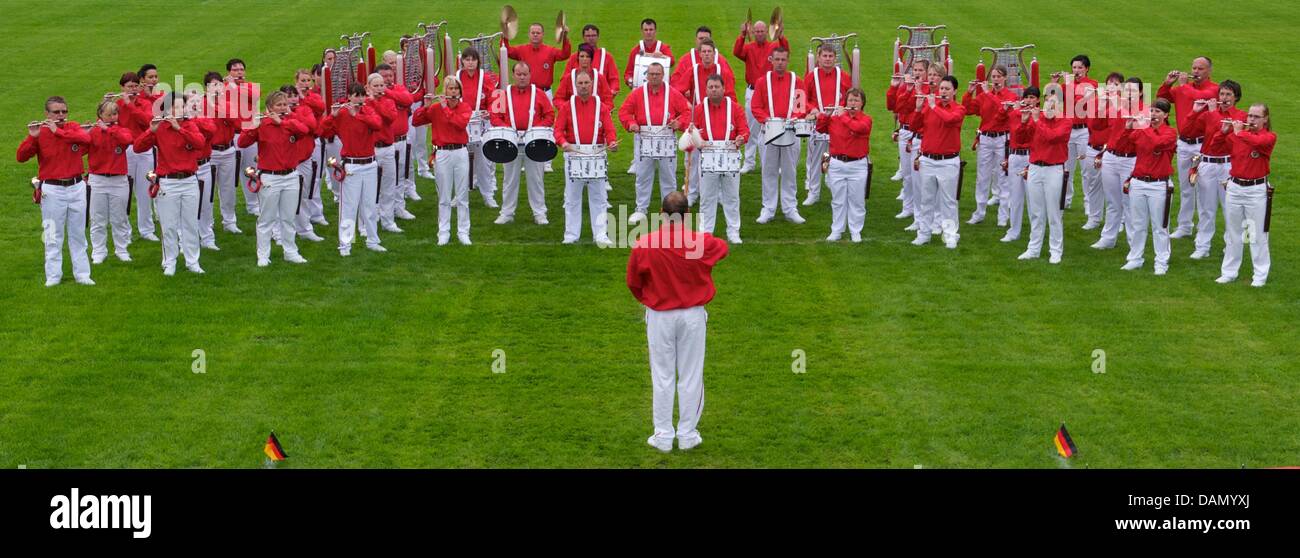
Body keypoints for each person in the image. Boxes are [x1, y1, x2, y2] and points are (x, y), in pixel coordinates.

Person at [626, 191, 729, 452]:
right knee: (691, 374)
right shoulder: (699, 243)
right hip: (692, 316)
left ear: (661, 214)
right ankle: (687, 434)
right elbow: (722, 248)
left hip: (659, 316)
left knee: (662, 375)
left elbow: (634, 283)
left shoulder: (645, 244)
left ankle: (662, 435)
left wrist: (649, 300)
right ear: (688, 215)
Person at [18, 96, 94, 286]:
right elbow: (21, 156)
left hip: (77, 186)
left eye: (64, 111)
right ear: (47, 114)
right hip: (52, 189)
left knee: (78, 233)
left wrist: (58, 132)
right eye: (56, 112)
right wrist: (32, 136)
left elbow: (86, 139)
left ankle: (83, 275)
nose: (61, 115)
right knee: (52, 235)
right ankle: (53, 276)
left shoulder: (73, 127)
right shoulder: (40, 133)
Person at [133, 93, 206, 275]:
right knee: (169, 225)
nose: (179, 110)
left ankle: (192, 262)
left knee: (190, 224)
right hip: (168, 182)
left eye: (182, 106)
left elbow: (200, 143)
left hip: (189, 181)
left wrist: (179, 128)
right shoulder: (160, 127)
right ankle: (170, 262)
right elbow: (138, 147)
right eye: (175, 107)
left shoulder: (190, 125)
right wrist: (151, 130)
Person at [238, 90, 310, 267]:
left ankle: (290, 252)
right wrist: (253, 126)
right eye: (279, 105)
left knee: (288, 217)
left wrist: (282, 123)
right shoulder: (262, 125)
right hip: (270, 177)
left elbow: (305, 130)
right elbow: (242, 143)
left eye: (284, 104)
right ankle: (263, 255)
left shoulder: (292, 122)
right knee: (266, 219)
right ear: (269, 108)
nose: (283, 108)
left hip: (291, 176)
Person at [619, 62, 690, 224]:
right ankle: (641, 209)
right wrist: (631, 124)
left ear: (663, 75)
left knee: (669, 176)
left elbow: (686, 112)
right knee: (643, 175)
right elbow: (624, 111)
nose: (654, 77)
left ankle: (671, 210)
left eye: (657, 74)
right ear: (646, 75)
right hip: (644, 138)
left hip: (666, 138)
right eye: (651, 74)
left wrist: (679, 124)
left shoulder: (673, 93)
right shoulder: (637, 94)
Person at [319, 83, 386, 255]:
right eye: (356, 95)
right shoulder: (341, 113)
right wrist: (331, 117)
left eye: (362, 95)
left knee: (370, 206)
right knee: (349, 207)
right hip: (351, 165)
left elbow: (377, 124)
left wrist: (358, 115)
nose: (360, 99)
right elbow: (322, 131)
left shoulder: (368, 111)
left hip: (370, 164)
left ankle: (372, 240)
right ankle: (345, 244)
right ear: (349, 97)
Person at [1213, 103, 1275, 287]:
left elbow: (1257, 143)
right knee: (1233, 233)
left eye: (1256, 117)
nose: (1251, 120)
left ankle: (1260, 275)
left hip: (1256, 190)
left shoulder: (1269, 137)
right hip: (1235, 187)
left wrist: (1239, 132)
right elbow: (1215, 147)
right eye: (1249, 116)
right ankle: (1229, 272)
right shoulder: (1238, 135)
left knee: (1256, 234)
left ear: (1265, 119)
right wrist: (1223, 131)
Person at [555, 70, 618, 246]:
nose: (583, 86)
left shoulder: (601, 106)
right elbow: (558, 130)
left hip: (596, 154)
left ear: (592, 84)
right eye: (580, 83)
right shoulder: (567, 107)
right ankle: (571, 234)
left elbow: (609, 129)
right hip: (574, 154)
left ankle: (600, 234)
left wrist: (612, 142)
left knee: (599, 196)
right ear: (575, 86)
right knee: (572, 197)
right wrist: (563, 142)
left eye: (586, 83)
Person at [1157, 56, 1218, 239]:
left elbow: (1198, 98)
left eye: (1200, 69)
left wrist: (1183, 86)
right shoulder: (1185, 88)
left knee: (1203, 188)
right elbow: (1163, 98)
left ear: (1209, 71)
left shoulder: (1214, 90)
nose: (1196, 72)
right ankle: (1184, 226)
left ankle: (1203, 229)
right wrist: (1167, 83)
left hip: (1202, 144)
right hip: (1184, 143)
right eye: (1194, 68)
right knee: (1185, 186)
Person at [1184, 80, 1245, 259]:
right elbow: (1187, 131)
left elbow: (1226, 135)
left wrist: (1212, 114)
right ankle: (1202, 246)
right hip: (1208, 164)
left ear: (1236, 98)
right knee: (1205, 208)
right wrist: (1195, 111)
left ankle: (1231, 246)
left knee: (1230, 208)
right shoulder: (1208, 114)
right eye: (1222, 94)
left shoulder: (1241, 116)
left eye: (1228, 95)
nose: (1224, 98)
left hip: (1227, 165)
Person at [490, 62, 555, 225]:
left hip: (534, 143)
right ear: (513, 75)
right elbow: (494, 117)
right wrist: (508, 130)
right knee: (509, 180)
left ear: (530, 75)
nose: (522, 77)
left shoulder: (539, 94)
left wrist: (535, 129)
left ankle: (540, 213)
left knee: (536, 179)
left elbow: (549, 116)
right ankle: (507, 212)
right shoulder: (502, 94)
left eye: (525, 74)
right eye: (519, 74)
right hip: (510, 143)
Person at [1118, 99, 1178, 275]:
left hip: (1159, 185)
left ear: (1166, 115)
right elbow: (1124, 144)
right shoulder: (1142, 130)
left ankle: (1161, 262)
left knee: (1160, 226)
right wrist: (1128, 127)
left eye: (1158, 111)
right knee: (1138, 224)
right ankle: (1135, 258)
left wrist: (1144, 127)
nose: (1153, 114)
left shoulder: (1170, 132)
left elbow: (1157, 144)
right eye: (1151, 110)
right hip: (1138, 182)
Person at [412, 77, 474, 245]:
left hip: (460, 152)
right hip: (443, 154)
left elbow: (459, 124)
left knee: (462, 195)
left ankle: (463, 232)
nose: (453, 91)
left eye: (456, 89)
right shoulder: (435, 109)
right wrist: (425, 105)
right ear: (445, 91)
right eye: (450, 88)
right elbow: (416, 120)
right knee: (444, 196)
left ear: (460, 92)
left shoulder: (465, 107)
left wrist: (445, 108)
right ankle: (443, 232)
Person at [690, 74, 749, 245]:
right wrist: (694, 135)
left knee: (731, 197)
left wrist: (741, 138)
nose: (714, 90)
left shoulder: (735, 108)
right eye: (710, 87)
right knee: (707, 197)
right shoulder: (699, 109)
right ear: (706, 89)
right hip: (707, 157)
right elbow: (690, 133)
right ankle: (706, 232)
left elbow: (744, 130)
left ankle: (733, 231)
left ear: (724, 89)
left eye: (717, 87)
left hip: (730, 156)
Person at [751, 46, 806, 224]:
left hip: (791, 132)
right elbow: (756, 107)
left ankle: (790, 208)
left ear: (788, 60)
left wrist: (792, 120)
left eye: (783, 59)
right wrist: (768, 121)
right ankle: (768, 208)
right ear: (771, 60)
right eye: (777, 59)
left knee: (790, 170)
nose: (780, 63)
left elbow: (800, 107)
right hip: (769, 132)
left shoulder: (797, 81)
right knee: (769, 170)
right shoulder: (762, 81)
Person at [1015, 91, 1071, 264]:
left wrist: (1037, 120)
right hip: (1034, 168)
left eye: (1053, 102)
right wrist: (1024, 122)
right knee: (1036, 212)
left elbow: (1052, 137)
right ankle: (1034, 248)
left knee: (1054, 213)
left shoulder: (1066, 121)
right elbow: (1020, 139)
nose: (1049, 105)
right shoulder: (1036, 119)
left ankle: (1055, 250)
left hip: (1054, 169)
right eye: (1047, 102)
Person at [912, 75, 966, 249]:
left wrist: (933, 106)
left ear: (954, 91)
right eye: (941, 88)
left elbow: (949, 120)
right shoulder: (929, 107)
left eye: (947, 89)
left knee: (948, 201)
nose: (943, 91)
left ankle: (950, 235)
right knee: (926, 199)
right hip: (927, 159)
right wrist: (919, 109)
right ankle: (924, 233)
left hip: (948, 161)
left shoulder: (959, 109)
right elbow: (914, 126)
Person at [960, 65, 1017, 225]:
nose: (996, 80)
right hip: (985, 138)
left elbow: (1003, 109)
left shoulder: (1011, 96)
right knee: (982, 176)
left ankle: (1003, 215)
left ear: (1005, 78)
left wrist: (986, 93)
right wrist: (969, 92)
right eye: (993, 77)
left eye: (999, 76)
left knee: (1003, 176)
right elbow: (968, 109)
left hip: (1002, 139)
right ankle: (979, 212)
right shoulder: (985, 96)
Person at [814, 88, 872, 242]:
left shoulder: (866, 120)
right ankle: (837, 230)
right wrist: (825, 115)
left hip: (857, 165)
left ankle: (855, 231)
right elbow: (820, 129)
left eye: (856, 100)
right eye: (850, 100)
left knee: (857, 200)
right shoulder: (835, 119)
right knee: (838, 199)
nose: (853, 103)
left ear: (862, 103)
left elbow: (858, 129)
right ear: (845, 102)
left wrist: (843, 117)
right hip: (837, 164)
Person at [733, 18, 789, 173]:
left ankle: (774, 163)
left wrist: (781, 35)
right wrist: (742, 34)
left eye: (762, 31)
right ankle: (749, 162)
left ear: (767, 31)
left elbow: (785, 51)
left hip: (770, 92)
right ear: (753, 32)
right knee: (751, 129)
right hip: (753, 91)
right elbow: (737, 52)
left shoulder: (773, 47)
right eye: (756, 31)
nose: (759, 34)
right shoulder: (749, 47)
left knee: (773, 126)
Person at [1092, 77, 1143, 250]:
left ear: (1141, 93)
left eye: (1133, 91)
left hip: (1131, 159)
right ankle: (1108, 238)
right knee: (1112, 201)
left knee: (1129, 202)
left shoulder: (1144, 111)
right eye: (1126, 90)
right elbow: (1096, 126)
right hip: (1111, 157)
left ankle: (1133, 243)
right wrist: (1100, 105)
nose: (1128, 94)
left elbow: (1140, 140)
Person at [801, 44, 851, 206]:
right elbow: (802, 99)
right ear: (818, 57)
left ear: (835, 58)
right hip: (818, 124)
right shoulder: (810, 76)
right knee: (815, 160)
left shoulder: (843, 76)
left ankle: (837, 190)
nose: (828, 59)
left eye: (831, 56)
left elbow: (850, 97)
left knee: (837, 159)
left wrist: (843, 110)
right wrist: (812, 110)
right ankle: (813, 192)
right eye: (825, 56)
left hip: (838, 124)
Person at [85, 99, 135, 263]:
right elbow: (79, 150)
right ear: (100, 115)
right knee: (98, 219)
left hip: (119, 180)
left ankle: (121, 249)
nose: (113, 117)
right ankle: (99, 252)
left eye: (115, 114)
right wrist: (84, 133)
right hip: (97, 180)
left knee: (119, 218)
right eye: (109, 114)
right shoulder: (93, 132)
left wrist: (108, 130)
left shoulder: (122, 130)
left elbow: (127, 140)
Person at [122, 65, 163, 241]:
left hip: (143, 149)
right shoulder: (115, 104)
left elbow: (148, 122)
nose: (131, 89)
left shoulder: (144, 103)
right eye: (128, 86)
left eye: (134, 86)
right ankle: (124, 232)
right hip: (124, 150)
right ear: (122, 87)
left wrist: (130, 106)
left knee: (144, 190)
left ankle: (146, 229)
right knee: (124, 191)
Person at [885, 59, 930, 223]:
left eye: (920, 70)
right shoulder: (907, 86)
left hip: (918, 133)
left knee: (918, 175)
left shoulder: (927, 89)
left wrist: (914, 90)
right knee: (906, 173)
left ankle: (920, 213)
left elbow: (914, 108)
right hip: (904, 131)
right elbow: (894, 107)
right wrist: (895, 87)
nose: (917, 73)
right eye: (915, 70)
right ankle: (908, 207)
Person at [456, 48, 500, 207]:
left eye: (473, 59)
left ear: (478, 61)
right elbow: (450, 98)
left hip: (480, 122)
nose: (470, 62)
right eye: (466, 59)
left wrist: (489, 113)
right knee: (461, 160)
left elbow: (495, 98)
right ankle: (459, 194)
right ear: (462, 61)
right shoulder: (456, 77)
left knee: (484, 161)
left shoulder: (485, 77)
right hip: (461, 123)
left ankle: (488, 195)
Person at [1077, 73, 1122, 233]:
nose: (1111, 87)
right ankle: (1094, 218)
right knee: (1093, 185)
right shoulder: (1096, 102)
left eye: (1116, 85)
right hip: (1094, 148)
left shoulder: (1124, 105)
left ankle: (1120, 220)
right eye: (1109, 84)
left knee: (1115, 188)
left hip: (1113, 152)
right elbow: (1093, 125)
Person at [1053, 55, 1098, 211]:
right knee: (1067, 168)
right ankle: (1066, 200)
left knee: (1086, 170)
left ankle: (1088, 204)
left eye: (1080, 67)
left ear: (1087, 69)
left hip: (1085, 131)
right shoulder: (1067, 84)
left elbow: (1080, 102)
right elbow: (1054, 101)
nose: (1076, 70)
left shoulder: (1092, 84)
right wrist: (1055, 83)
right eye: (1074, 67)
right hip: (1068, 131)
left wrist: (1069, 84)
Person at [201, 71, 242, 236]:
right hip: (210, 152)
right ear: (206, 88)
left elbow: (239, 125)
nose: (216, 88)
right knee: (208, 191)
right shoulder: (201, 104)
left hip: (228, 150)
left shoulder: (229, 103)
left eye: (219, 84)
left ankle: (230, 221)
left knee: (228, 189)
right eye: (213, 85)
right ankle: (208, 223)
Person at [375, 63, 416, 228]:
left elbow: (408, 99)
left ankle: (399, 207)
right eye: (384, 76)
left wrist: (387, 91)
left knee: (400, 176)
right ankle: (378, 210)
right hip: (383, 144)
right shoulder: (375, 96)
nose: (388, 78)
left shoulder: (398, 89)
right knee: (379, 179)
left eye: (390, 75)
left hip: (401, 140)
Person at [1001, 86, 1040, 243]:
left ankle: (1035, 232)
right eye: (1027, 97)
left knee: (1033, 198)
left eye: (1033, 97)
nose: (1029, 100)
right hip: (1016, 156)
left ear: (1038, 100)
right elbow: (1017, 134)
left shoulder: (1039, 116)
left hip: (1032, 157)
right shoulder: (1016, 114)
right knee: (1015, 196)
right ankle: (1013, 230)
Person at [503, 22, 571, 96]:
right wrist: (505, 36)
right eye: (533, 33)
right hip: (527, 92)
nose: (535, 35)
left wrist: (565, 37)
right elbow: (506, 51)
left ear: (543, 34)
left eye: (538, 33)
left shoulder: (550, 51)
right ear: (529, 34)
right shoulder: (521, 50)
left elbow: (565, 54)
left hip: (545, 92)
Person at [563, 24, 620, 96]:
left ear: (598, 37)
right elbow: (565, 79)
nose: (591, 38)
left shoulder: (606, 56)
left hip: (601, 100)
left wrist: (613, 90)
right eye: (588, 36)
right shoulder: (574, 57)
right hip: (579, 99)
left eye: (593, 35)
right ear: (583, 37)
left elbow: (614, 78)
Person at [624, 18, 674, 89]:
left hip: (660, 91)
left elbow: (672, 61)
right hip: (640, 91)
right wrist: (630, 81)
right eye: (646, 30)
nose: (648, 32)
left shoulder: (663, 48)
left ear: (655, 31)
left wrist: (662, 56)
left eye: (651, 30)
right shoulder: (635, 50)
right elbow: (628, 73)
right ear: (642, 31)